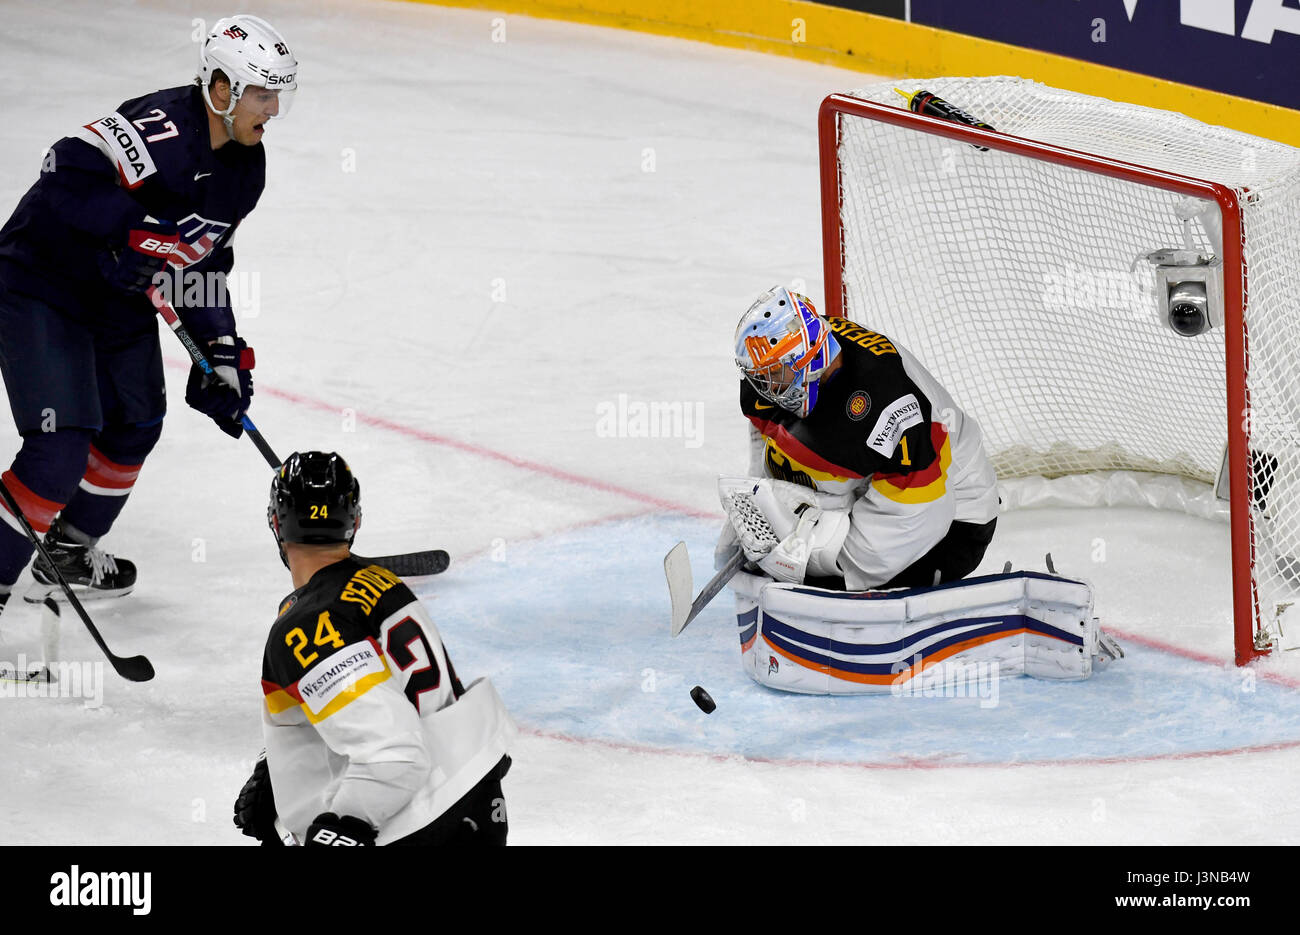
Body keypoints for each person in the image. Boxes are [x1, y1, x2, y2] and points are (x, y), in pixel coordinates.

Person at [0, 15, 296, 615]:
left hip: (116, 295)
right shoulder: (161, 129)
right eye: (262, 95)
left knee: (136, 423)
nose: (272, 111)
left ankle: (67, 554)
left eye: (278, 96)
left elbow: (203, 259)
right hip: (41, 281)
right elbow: (62, 170)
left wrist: (220, 349)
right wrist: (129, 231)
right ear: (221, 90)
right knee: (59, 450)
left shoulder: (247, 167)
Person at [233, 452, 516, 847]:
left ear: (275, 522)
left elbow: (394, 757)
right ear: (355, 522)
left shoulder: (308, 625)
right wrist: (278, 764)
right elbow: (379, 697)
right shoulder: (378, 583)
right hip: (475, 801)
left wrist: (341, 830)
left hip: (409, 824)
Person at [724, 286, 999, 590]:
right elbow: (774, 440)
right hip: (879, 487)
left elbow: (920, 516)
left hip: (955, 521)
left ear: (809, 362)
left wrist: (812, 566)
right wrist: (762, 503)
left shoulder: (890, 408)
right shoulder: (796, 362)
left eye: (773, 373)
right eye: (759, 375)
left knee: (822, 570)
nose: (762, 385)